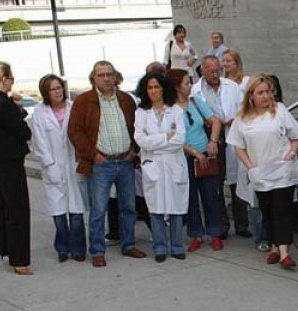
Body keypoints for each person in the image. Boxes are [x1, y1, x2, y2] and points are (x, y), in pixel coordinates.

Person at [69, 60, 147, 267]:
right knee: (98, 209)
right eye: (101, 74)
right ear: (93, 78)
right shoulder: (84, 101)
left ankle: (128, 244)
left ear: (115, 76)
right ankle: (97, 250)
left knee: (129, 207)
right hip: (101, 163)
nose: (106, 78)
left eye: (109, 74)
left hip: (125, 161)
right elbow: (75, 132)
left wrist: (134, 150)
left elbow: (137, 127)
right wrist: (93, 155)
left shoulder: (125, 99)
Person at [229, 74, 298, 269]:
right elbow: (238, 146)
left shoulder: (279, 111)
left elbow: (296, 135)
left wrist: (292, 152)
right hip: (260, 172)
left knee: (282, 211)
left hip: (282, 170)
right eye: (260, 92)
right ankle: (273, 246)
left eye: (268, 92)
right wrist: (250, 166)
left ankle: (284, 252)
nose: (265, 96)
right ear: (251, 95)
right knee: (267, 211)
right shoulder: (242, 119)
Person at [192, 55, 250, 239]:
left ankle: (242, 225)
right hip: (211, 137)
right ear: (202, 70)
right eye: (211, 71)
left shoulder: (231, 86)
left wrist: (233, 120)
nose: (216, 74)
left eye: (218, 70)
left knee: (237, 180)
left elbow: (244, 108)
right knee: (215, 183)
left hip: (232, 132)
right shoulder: (195, 91)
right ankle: (222, 226)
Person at [33, 74, 89, 263]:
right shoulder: (40, 112)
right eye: (53, 89)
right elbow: (39, 140)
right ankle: (62, 248)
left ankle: (79, 249)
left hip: (73, 163)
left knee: (76, 212)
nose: (57, 92)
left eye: (59, 88)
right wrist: (49, 164)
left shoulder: (73, 108)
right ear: (46, 93)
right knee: (58, 214)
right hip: (53, 165)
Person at [167, 68, 223, 252]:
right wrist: (193, 151)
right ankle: (196, 234)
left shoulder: (196, 102)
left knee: (211, 196)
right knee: (189, 198)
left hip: (204, 156)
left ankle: (215, 233)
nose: (190, 85)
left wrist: (213, 141)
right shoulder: (169, 110)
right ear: (176, 87)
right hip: (184, 158)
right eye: (186, 83)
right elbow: (172, 136)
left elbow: (215, 121)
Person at [134, 73, 188, 263]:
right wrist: (165, 137)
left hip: (174, 164)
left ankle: (177, 246)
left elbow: (180, 139)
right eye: (150, 88)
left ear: (164, 88)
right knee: (155, 208)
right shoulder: (141, 112)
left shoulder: (176, 110)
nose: (154, 91)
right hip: (153, 166)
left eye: (157, 87)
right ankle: (159, 247)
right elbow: (141, 140)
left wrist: (154, 141)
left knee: (176, 207)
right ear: (145, 90)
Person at [0, 61, 32, 275]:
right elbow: (23, 130)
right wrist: (18, 109)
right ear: (4, 79)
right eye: (11, 79)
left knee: (6, 206)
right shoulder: (1, 103)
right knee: (18, 209)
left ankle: (7, 248)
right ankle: (20, 259)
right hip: (9, 160)